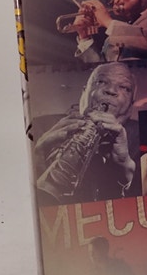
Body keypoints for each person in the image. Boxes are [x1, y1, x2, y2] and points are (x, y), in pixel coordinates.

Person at [34, 63, 139, 205]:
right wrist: (35, 163)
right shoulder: (39, 128)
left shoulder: (140, 139)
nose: (111, 90)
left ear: (131, 105)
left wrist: (126, 169)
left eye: (124, 88)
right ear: (84, 92)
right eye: (101, 82)